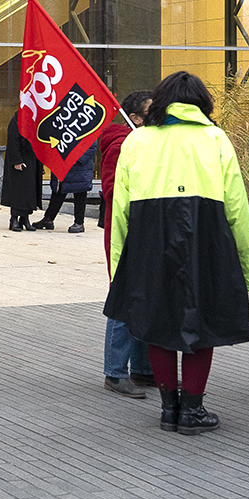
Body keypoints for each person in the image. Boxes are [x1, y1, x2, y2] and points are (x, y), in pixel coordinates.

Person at [104, 71, 249, 435]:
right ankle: (193, 409)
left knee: (158, 326)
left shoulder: (138, 140)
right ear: (201, 103)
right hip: (207, 241)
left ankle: (168, 408)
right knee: (200, 326)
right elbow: (236, 207)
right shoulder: (215, 138)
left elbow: (120, 211)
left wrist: (119, 267)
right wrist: (248, 269)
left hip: (148, 241)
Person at [97, 90, 154, 398]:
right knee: (125, 298)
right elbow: (112, 191)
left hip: (145, 231)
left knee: (145, 298)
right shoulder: (121, 145)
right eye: (152, 113)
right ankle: (115, 372)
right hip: (127, 232)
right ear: (135, 119)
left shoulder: (145, 143)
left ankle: (144, 370)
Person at [0, 111, 42, 231]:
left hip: (32, 160)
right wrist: (16, 161)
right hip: (20, 161)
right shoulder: (17, 120)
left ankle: (25, 218)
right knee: (19, 191)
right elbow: (13, 141)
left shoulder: (35, 120)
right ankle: (14, 219)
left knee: (29, 191)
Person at [37, 148, 94, 233]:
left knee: (80, 192)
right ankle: (48, 219)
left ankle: (79, 223)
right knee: (58, 191)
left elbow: (91, 147)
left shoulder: (88, 134)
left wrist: (76, 159)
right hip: (63, 163)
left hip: (79, 166)